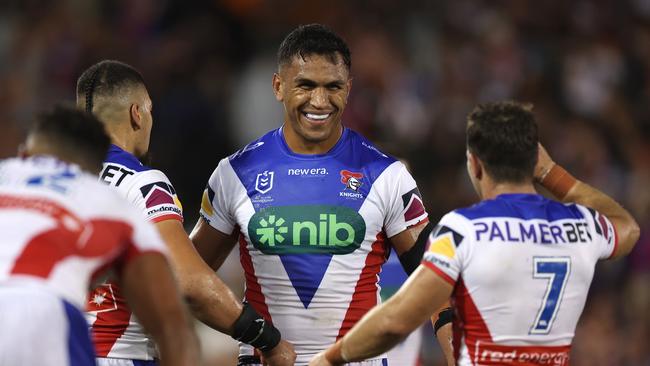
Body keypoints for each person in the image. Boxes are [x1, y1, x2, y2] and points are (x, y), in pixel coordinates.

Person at [190, 23, 453, 365]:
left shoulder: (387, 175)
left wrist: (457, 358)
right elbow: (190, 279)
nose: (319, 101)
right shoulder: (235, 173)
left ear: (348, 90)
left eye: (333, 87)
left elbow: (436, 282)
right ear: (278, 86)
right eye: (305, 85)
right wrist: (258, 336)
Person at [309, 101, 641, 366]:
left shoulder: (464, 230)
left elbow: (395, 321)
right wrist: (553, 174)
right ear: (534, 161)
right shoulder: (580, 226)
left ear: (475, 164)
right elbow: (627, 227)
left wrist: (329, 358)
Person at [76, 60, 295, 366]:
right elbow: (189, 283)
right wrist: (267, 340)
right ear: (137, 114)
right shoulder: (141, 183)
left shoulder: (44, 182)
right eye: (150, 111)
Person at [0, 106, 200, 366]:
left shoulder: (6, 172)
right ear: (95, 172)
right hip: (47, 318)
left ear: (24, 154)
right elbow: (174, 328)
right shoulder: (111, 202)